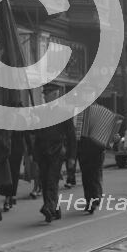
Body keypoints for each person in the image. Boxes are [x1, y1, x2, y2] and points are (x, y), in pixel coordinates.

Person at [32, 84, 77, 223]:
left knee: (52, 179)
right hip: (43, 151)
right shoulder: (41, 112)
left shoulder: (64, 112)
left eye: (48, 93)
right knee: (45, 181)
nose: (45, 96)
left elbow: (71, 136)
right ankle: (55, 209)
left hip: (57, 150)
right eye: (44, 94)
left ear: (56, 95)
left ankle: (48, 207)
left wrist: (71, 156)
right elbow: (37, 134)